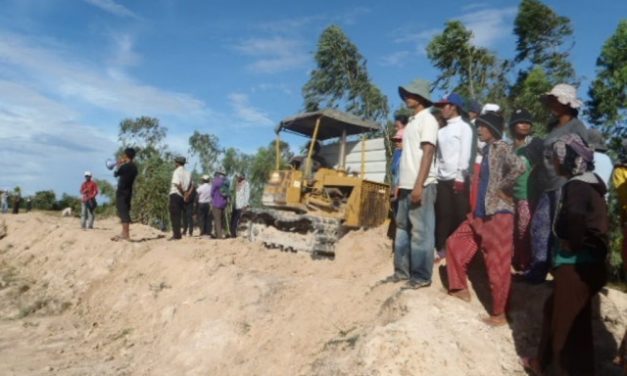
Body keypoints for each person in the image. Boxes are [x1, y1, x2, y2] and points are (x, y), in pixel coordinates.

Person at [522, 134, 607, 376]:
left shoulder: (576, 186)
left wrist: (573, 243)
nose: (553, 162)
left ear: (568, 160)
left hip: (576, 265)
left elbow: (576, 217)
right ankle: (542, 362)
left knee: (566, 332)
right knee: (560, 315)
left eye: (556, 157)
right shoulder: (592, 183)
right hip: (588, 265)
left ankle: (559, 368)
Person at [446, 112, 526, 326]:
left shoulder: (502, 147)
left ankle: (499, 314)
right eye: (478, 126)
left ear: (493, 129)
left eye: (483, 126)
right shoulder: (487, 149)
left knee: (497, 265)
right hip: (480, 213)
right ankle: (460, 288)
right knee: (455, 242)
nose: (479, 129)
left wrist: (502, 187)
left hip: (499, 214)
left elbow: (519, 167)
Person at [527, 83, 590, 283]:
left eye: (556, 100)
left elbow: (582, 158)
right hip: (547, 185)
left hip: (564, 184)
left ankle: (560, 273)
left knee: (559, 230)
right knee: (540, 227)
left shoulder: (576, 127)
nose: (552, 104)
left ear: (566, 103)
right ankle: (538, 270)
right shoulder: (554, 128)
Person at [383, 78, 438, 289]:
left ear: (421, 98)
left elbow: (428, 152)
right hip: (406, 185)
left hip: (421, 185)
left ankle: (421, 276)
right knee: (402, 229)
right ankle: (401, 272)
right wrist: (400, 184)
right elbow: (407, 158)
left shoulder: (428, 121)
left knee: (420, 232)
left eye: (411, 94)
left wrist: (418, 185)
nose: (407, 97)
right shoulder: (413, 121)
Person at [433, 93, 473, 262]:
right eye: (441, 106)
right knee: (443, 213)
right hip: (441, 179)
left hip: (458, 179)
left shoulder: (464, 127)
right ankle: (442, 248)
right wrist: (435, 175)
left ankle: (459, 249)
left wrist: (459, 177)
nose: (442, 109)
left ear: (454, 106)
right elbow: (438, 156)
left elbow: (465, 153)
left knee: (459, 214)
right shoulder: (441, 131)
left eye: (444, 106)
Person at [509, 109, 544, 272]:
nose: (524, 125)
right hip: (509, 197)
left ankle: (526, 264)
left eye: (527, 123)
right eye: (520, 122)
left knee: (526, 230)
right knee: (512, 231)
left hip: (527, 195)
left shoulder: (536, 146)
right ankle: (514, 261)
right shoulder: (509, 149)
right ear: (512, 125)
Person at [112, 148, 138, 241]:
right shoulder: (134, 167)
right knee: (125, 210)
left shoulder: (124, 167)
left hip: (121, 191)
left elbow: (116, 174)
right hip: (129, 191)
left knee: (123, 212)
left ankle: (126, 234)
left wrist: (119, 163)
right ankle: (123, 233)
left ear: (126, 155)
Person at [168, 156, 192, 240]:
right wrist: (187, 194)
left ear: (177, 163)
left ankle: (176, 235)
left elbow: (177, 184)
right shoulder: (188, 173)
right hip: (182, 196)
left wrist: (184, 193)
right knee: (179, 215)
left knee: (174, 215)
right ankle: (177, 234)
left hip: (176, 194)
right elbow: (192, 185)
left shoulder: (176, 171)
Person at [211, 171, 229, 239]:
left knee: (217, 220)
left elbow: (212, 193)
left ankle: (219, 236)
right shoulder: (226, 182)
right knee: (222, 219)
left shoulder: (216, 181)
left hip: (216, 203)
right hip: (224, 203)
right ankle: (224, 233)